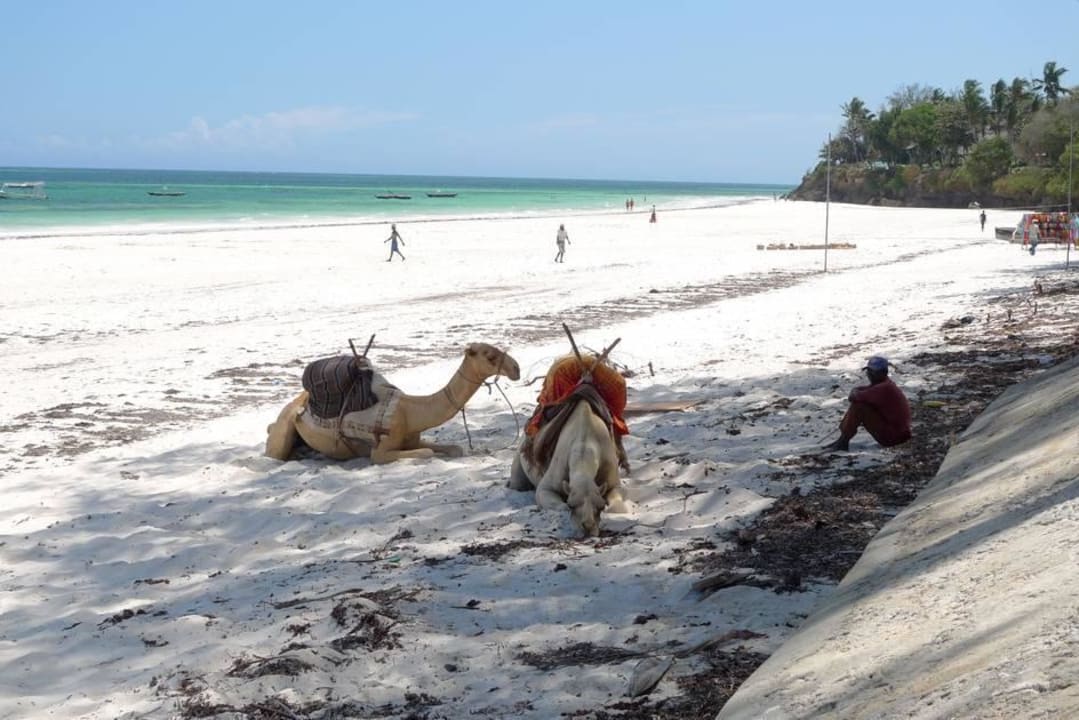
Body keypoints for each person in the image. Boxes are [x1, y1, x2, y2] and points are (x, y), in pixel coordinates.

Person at [821, 355, 911, 452]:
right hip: (899, 434)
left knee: (859, 407)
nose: (869, 375)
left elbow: (855, 396)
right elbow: (863, 391)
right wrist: (856, 391)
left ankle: (843, 441)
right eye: (869, 372)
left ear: (881, 373)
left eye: (872, 372)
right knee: (860, 405)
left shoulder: (884, 388)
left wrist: (856, 391)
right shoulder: (886, 384)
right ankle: (842, 440)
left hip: (895, 437)